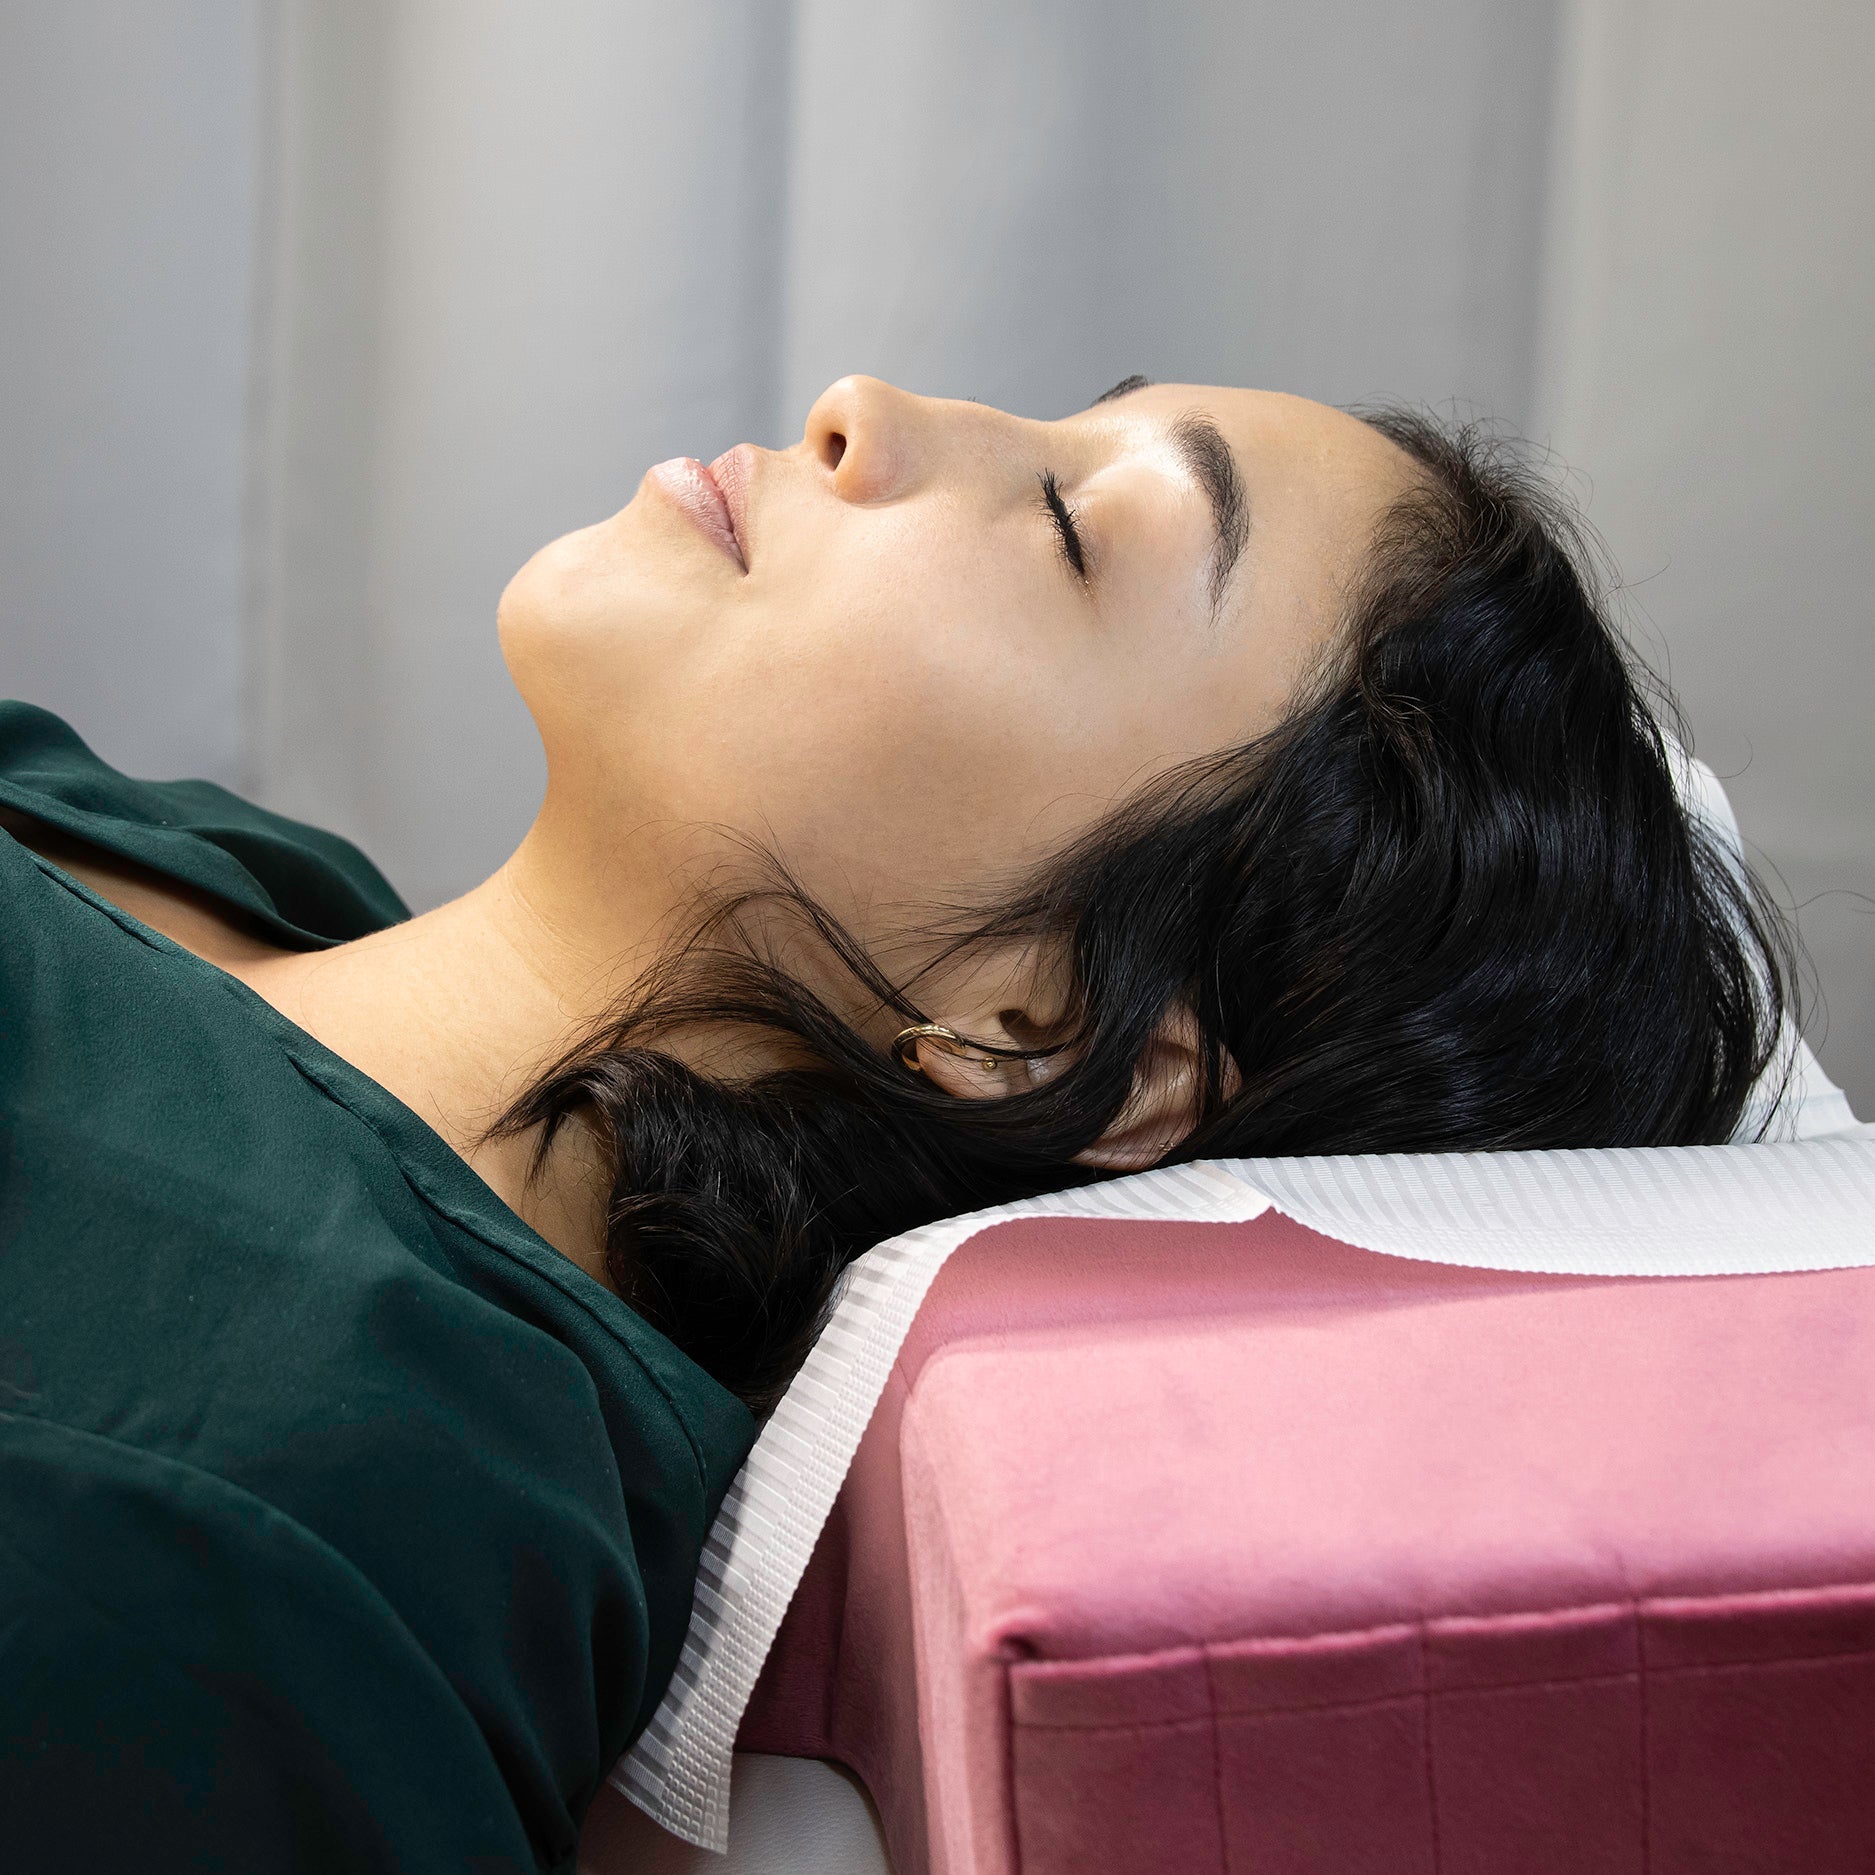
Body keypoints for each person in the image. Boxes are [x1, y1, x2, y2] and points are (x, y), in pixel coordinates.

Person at [0, 376, 1792, 1871]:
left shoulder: (300, 1506)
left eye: (1080, 530)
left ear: (1047, 1025)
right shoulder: (246, 880)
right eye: (1056, 419)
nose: (865, 407)